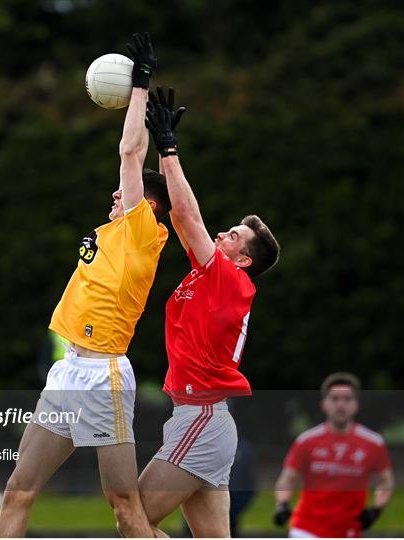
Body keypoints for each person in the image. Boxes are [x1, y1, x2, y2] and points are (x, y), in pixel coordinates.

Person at [0, 32, 170, 538]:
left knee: (123, 508)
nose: (116, 194)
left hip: (104, 376)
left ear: (148, 205)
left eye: (127, 193)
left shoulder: (143, 231)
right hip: (68, 372)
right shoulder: (117, 230)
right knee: (17, 490)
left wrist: (140, 84)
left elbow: (131, 151)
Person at [138, 87, 280, 537]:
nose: (224, 233)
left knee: (132, 515)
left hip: (201, 417)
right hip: (202, 418)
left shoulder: (230, 279)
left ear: (243, 261)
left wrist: (170, 148)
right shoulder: (210, 274)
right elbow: (181, 218)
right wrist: (164, 150)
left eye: (235, 235)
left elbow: (189, 214)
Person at [274, 372, 395, 538]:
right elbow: (287, 479)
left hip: (348, 531)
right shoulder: (307, 441)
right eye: (335, 398)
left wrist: (376, 509)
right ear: (324, 404)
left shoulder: (373, 443)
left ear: (356, 405)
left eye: (347, 399)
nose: (340, 405)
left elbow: (385, 481)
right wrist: (282, 505)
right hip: (307, 528)